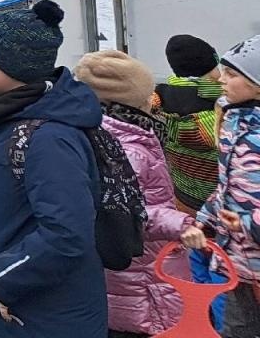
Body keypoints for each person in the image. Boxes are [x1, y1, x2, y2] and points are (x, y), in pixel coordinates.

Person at [0, 0, 106, 337]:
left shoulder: (49, 138)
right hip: (8, 308)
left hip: (42, 314)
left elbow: (67, 234)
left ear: (13, 65)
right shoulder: (3, 118)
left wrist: (3, 282)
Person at [74, 50, 189, 338]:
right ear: (131, 100)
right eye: (148, 95)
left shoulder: (115, 133)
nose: (153, 100)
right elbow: (124, 214)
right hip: (142, 276)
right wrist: (181, 224)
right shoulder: (127, 149)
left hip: (138, 271)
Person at [182, 34, 260, 338]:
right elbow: (227, 185)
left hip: (249, 248)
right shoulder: (233, 123)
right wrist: (205, 220)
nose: (220, 79)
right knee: (235, 329)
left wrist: (247, 225)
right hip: (238, 262)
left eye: (231, 74)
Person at [156, 33, 230, 331]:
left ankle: (199, 318)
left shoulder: (160, 99)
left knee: (197, 262)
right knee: (222, 271)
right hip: (215, 205)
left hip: (183, 200)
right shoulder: (216, 115)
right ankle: (221, 327)